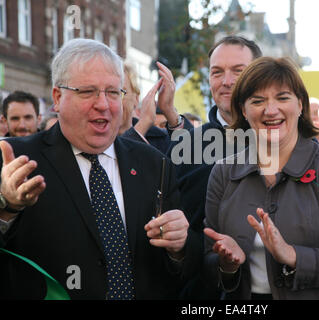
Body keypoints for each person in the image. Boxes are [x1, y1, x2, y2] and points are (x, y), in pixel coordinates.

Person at [0, 38, 201, 299]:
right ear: (58, 97)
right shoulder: (15, 160)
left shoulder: (154, 163)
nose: (103, 104)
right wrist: (7, 206)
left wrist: (180, 247)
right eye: (88, 92)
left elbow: (183, 268)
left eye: (113, 92)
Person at [203, 57, 319, 300]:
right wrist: (226, 264)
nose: (271, 110)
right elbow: (208, 264)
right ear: (243, 109)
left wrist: (292, 255)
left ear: (300, 105)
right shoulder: (223, 172)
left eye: (282, 98)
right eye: (258, 101)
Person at [169, 35, 262, 299]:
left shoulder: (287, 144)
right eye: (217, 72)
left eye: (238, 71)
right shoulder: (185, 147)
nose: (227, 81)